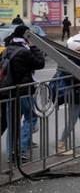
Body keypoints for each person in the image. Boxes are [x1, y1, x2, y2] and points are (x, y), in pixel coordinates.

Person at [1, 25, 45, 162]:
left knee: (12, 122)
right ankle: (21, 149)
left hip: (8, 92)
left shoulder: (7, 49)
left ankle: (10, 154)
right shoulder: (24, 51)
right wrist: (33, 46)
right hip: (23, 91)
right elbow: (40, 63)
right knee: (31, 117)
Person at [56, 43, 80, 154]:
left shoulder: (79, 62)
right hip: (74, 95)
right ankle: (61, 145)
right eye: (78, 50)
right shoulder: (70, 64)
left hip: (77, 95)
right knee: (72, 121)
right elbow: (77, 78)